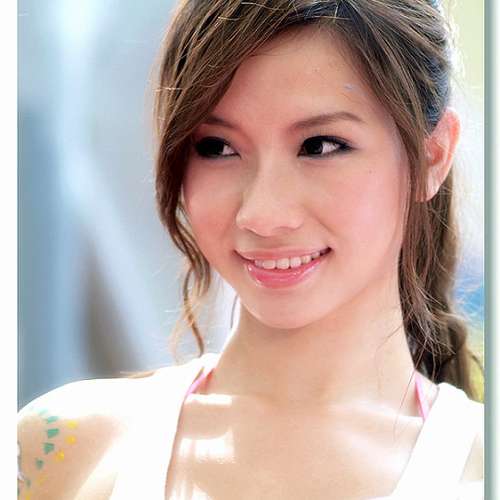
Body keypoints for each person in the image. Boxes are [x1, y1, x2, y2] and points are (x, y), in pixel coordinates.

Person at [18, 1, 484, 499]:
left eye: (320, 146)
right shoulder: (59, 449)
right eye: (217, 147)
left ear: (433, 156)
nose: (262, 214)